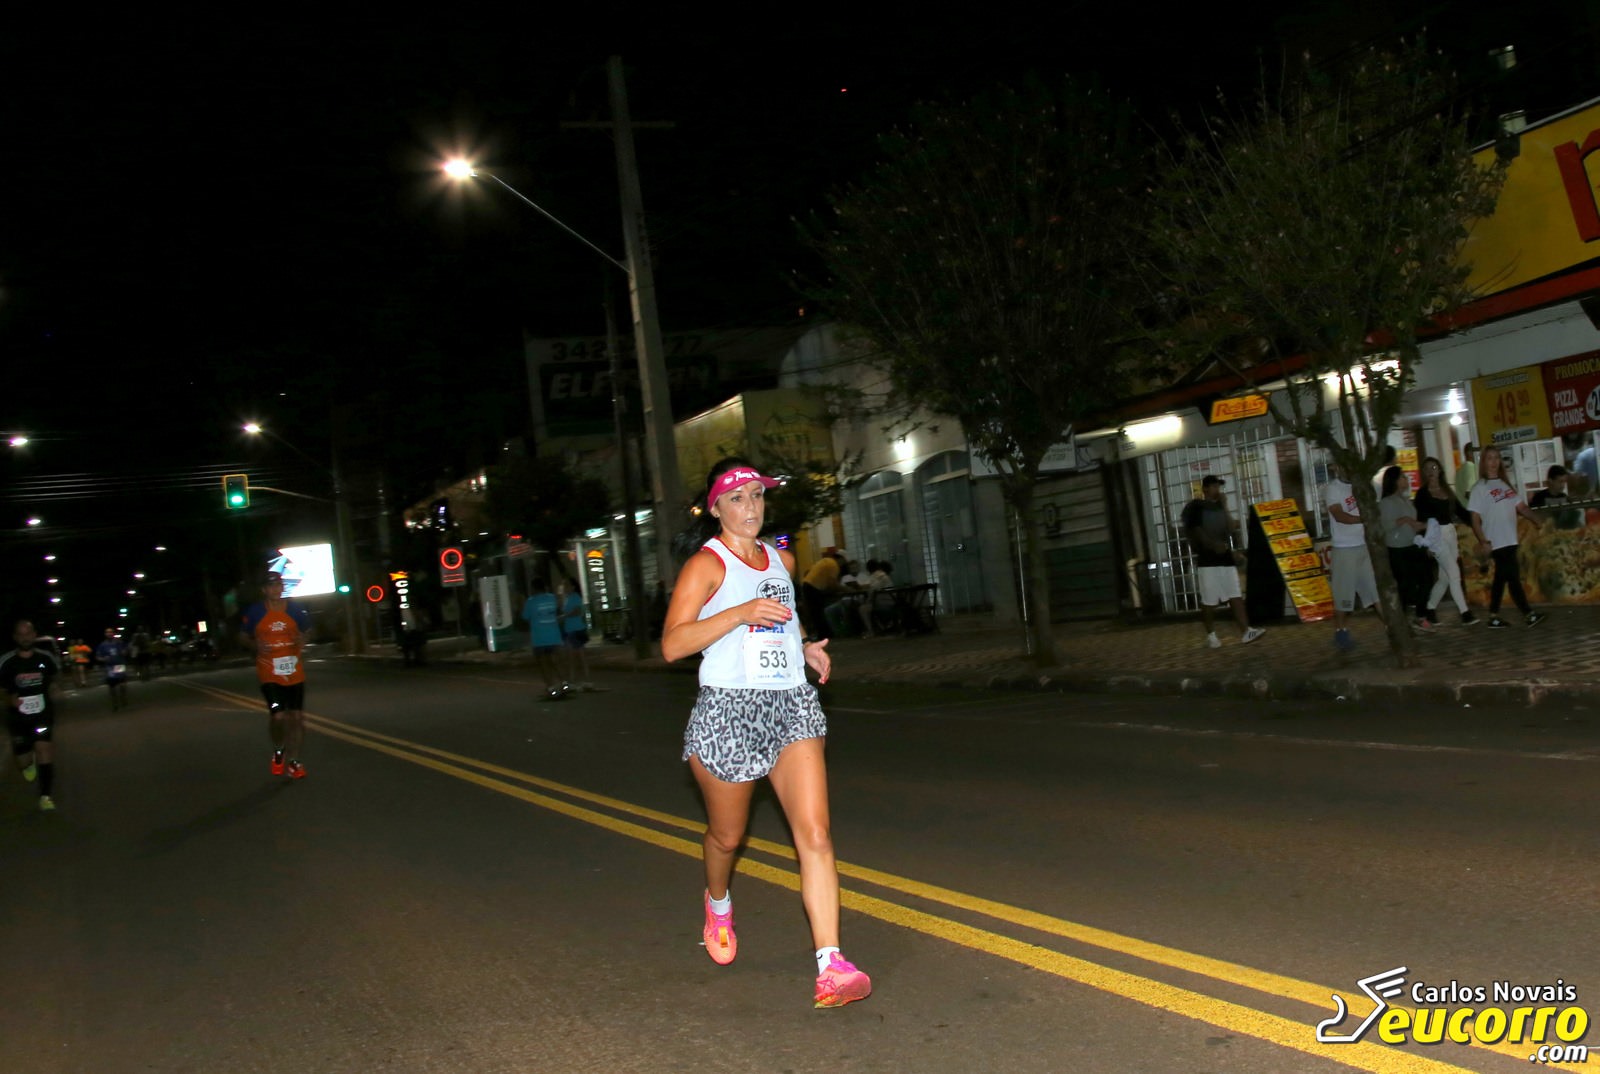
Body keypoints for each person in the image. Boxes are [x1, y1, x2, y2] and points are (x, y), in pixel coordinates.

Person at [662, 458, 871, 1009]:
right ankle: (718, 902)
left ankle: (831, 965)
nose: (750, 507)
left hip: (790, 704)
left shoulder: (782, 558)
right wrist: (737, 613)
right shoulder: (705, 566)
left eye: (756, 495)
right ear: (715, 508)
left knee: (816, 835)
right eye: (737, 498)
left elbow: (785, 616)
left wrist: (804, 648)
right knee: (727, 838)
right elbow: (673, 645)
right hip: (729, 709)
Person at [240, 571, 313, 779]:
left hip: (294, 671)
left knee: (296, 717)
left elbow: (309, 630)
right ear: (264, 590)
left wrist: (303, 639)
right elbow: (242, 636)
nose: (276, 589)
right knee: (278, 716)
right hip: (269, 671)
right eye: (271, 586)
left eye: (278, 585)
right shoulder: (255, 611)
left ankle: (294, 761)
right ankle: (279, 749)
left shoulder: (295, 609)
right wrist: (255, 645)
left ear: (283, 587)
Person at [1181, 476, 1265, 648]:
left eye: (1218, 487)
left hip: (1225, 557)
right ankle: (1211, 634)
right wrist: (1212, 545)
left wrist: (1225, 506)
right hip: (1208, 559)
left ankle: (1246, 631)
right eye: (1213, 486)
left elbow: (1231, 528)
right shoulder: (1196, 508)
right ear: (1205, 489)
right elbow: (1196, 530)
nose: (1216, 490)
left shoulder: (1219, 507)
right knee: (1209, 600)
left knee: (1235, 594)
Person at [1468, 444, 1546, 629]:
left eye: (1496, 458)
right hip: (1496, 541)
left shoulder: (1505, 485)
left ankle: (1493, 616)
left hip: (1510, 539)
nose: (1494, 462)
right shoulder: (1479, 488)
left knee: (1501, 578)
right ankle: (1528, 614)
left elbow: (1521, 507)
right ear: (1483, 462)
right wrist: (1483, 541)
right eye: (1489, 458)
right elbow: (1474, 518)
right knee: (1512, 577)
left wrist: (1536, 519)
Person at [1326, 460, 1386, 652]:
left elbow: (1376, 505)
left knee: (1376, 589)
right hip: (1344, 548)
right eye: (1342, 466)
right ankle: (1340, 631)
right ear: (1336, 468)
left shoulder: (1362, 485)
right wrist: (1363, 519)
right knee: (1343, 595)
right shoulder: (1333, 489)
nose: (1346, 469)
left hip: (1364, 545)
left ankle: (1392, 626)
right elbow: (1339, 515)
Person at [3, 620, 62, 811]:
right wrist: (9, 699)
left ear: (34, 635)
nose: (25, 638)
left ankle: (46, 796)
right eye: (21, 634)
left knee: (44, 749)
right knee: (24, 760)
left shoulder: (46, 658)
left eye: (28, 633)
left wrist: (55, 688)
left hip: (42, 714)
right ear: (15, 637)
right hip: (18, 718)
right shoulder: (6, 662)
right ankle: (27, 765)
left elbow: (54, 678)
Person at [1412, 456, 1476, 625]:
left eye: (1433, 468)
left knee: (1445, 577)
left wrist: (1476, 522)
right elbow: (1421, 518)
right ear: (1423, 472)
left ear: (1440, 470)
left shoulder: (1447, 490)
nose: (1430, 471)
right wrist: (1427, 543)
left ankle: (1430, 609)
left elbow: (1460, 511)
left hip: (1450, 532)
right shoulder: (1422, 494)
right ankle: (1465, 613)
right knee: (1454, 572)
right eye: (1427, 469)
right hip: (1435, 535)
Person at [1377, 467, 1431, 628]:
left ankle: (1420, 615)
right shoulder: (1386, 502)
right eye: (1402, 477)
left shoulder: (1406, 500)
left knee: (1426, 579)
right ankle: (1402, 621)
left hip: (1412, 544)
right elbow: (1385, 526)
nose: (1406, 480)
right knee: (1404, 586)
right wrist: (1405, 520)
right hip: (1398, 548)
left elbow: (1413, 523)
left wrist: (1425, 526)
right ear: (1394, 481)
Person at [522, 576, 565, 700]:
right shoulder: (552, 598)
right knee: (556, 662)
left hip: (539, 638)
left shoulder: (531, 601)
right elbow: (558, 610)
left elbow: (525, 617)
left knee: (544, 664)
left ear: (534, 588)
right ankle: (564, 683)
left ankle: (551, 688)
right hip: (554, 636)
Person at [557, 577, 594, 692]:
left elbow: (577, 611)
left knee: (576, 657)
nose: (564, 588)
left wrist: (564, 616)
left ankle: (579, 680)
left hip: (576, 630)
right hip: (571, 630)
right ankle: (580, 680)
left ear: (572, 587)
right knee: (574, 657)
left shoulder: (575, 597)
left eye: (566, 585)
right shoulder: (568, 598)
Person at [800, 547, 844, 640]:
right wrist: (844, 589)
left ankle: (823, 634)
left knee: (815, 612)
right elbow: (832, 583)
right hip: (814, 588)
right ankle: (824, 635)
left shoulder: (826, 560)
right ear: (841, 559)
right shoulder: (834, 565)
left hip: (807, 585)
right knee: (818, 612)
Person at [95, 627, 132, 711]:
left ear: (113, 633)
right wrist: (103, 659)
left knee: (122, 684)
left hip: (119, 665)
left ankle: (123, 697)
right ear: (105, 634)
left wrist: (125, 652)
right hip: (110, 667)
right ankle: (115, 703)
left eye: (111, 632)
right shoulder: (103, 645)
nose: (109, 634)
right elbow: (98, 657)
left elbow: (126, 650)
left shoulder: (119, 642)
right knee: (112, 686)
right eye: (107, 632)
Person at [859, 560, 895, 637]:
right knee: (865, 607)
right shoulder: (884, 576)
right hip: (890, 602)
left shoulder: (879, 576)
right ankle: (876, 628)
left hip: (883, 603)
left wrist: (868, 600)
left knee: (863, 609)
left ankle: (870, 631)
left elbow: (874, 588)